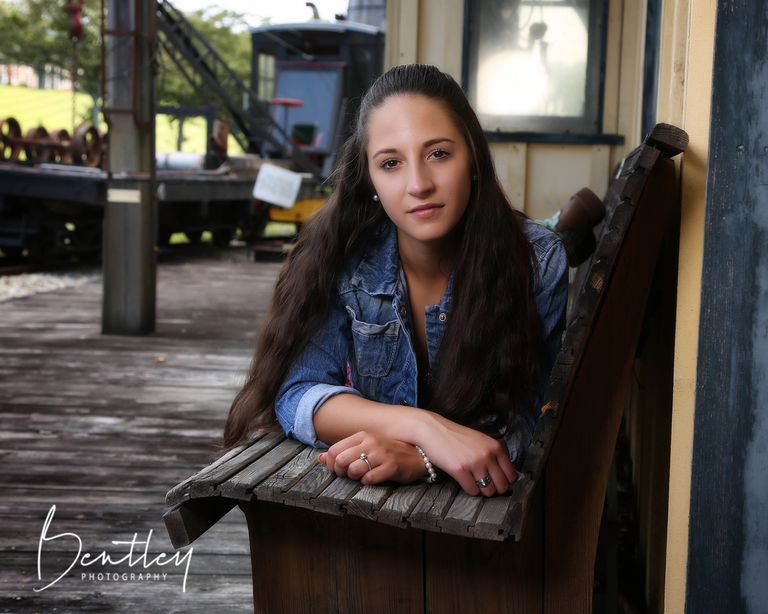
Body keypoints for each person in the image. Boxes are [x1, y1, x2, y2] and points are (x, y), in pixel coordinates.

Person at [223, 64, 568, 497]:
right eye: (391, 163)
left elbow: (538, 418)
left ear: (474, 157)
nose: (418, 184)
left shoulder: (537, 260)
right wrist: (424, 428)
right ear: (370, 180)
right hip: (370, 512)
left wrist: (421, 460)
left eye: (438, 154)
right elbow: (297, 394)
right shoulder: (348, 257)